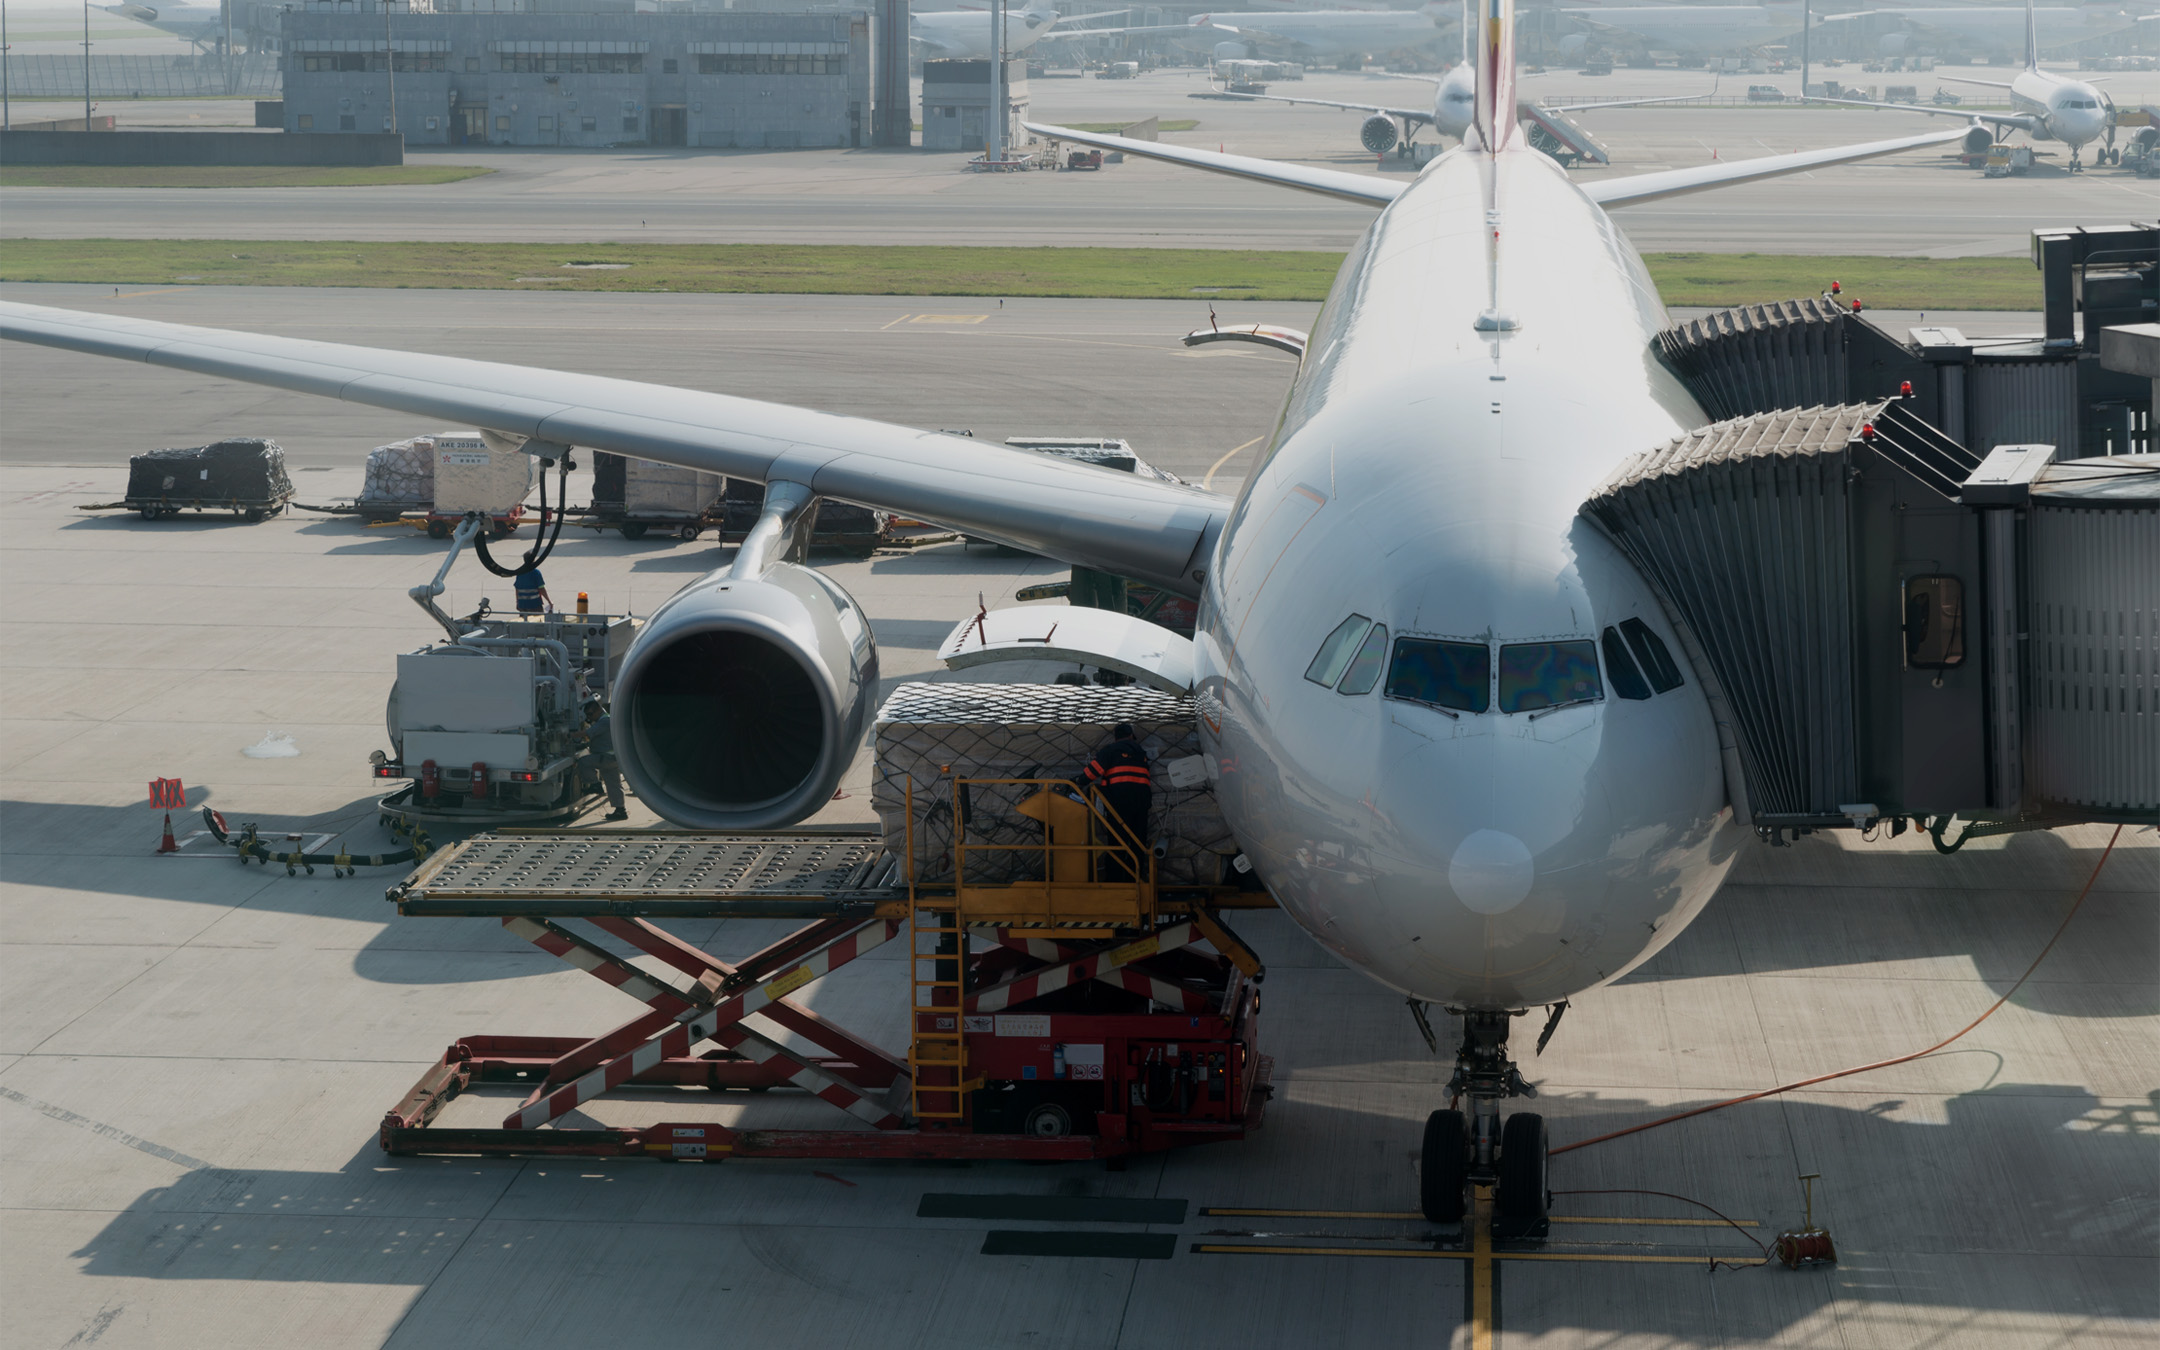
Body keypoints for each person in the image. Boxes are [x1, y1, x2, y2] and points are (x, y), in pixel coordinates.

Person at [1083, 722, 1152, 882]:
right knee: (1138, 844)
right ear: (1130, 736)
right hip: (1141, 805)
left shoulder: (1110, 751)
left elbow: (1092, 773)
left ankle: (1114, 881)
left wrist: (1077, 781)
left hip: (1118, 805)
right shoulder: (1141, 753)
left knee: (1117, 844)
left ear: (1115, 738)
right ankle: (1134, 880)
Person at [584, 704, 627, 821]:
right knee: (614, 784)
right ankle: (620, 811)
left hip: (605, 758)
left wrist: (568, 735)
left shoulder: (603, 722)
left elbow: (587, 734)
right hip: (612, 758)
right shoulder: (608, 719)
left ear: (598, 710)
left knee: (583, 762)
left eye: (590, 714)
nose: (589, 718)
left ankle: (595, 785)